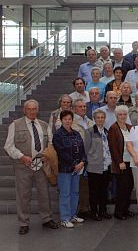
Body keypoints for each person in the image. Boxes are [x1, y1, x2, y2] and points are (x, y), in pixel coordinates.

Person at [4, 99, 59, 234]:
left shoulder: (44, 125)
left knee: (44, 193)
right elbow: (8, 146)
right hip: (23, 166)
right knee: (23, 195)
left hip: (41, 165)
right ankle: (23, 223)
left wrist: (47, 154)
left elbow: (50, 144)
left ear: (38, 110)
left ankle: (46, 219)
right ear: (24, 110)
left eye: (34, 109)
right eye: (29, 109)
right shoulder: (15, 125)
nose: (32, 111)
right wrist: (22, 156)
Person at [52, 110, 87, 228]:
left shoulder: (76, 134)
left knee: (75, 192)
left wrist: (82, 161)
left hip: (78, 169)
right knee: (65, 193)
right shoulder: (58, 135)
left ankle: (73, 215)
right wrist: (74, 164)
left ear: (73, 120)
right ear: (61, 120)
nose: (68, 121)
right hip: (65, 169)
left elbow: (82, 149)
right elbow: (61, 152)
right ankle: (64, 218)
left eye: (69, 119)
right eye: (65, 119)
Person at [84, 109, 112, 221]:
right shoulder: (89, 132)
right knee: (94, 191)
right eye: (98, 118)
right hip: (94, 166)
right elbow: (86, 149)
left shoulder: (106, 131)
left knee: (104, 190)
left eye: (102, 117)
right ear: (94, 119)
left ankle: (103, 211)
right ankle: (94, 212)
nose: (100, 119)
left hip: (106, 165)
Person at [108, 105, 134, 220]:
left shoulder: (130, 127)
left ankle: (126, 209)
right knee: (122, 188)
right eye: (120, 114)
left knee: (129, 187)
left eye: (124, 114)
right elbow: (112, 148)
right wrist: (119, 162)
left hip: (131, 162)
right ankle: (119, 212)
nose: (122, 116)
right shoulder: (113, 128)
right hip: (121, 163)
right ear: (116, 115)